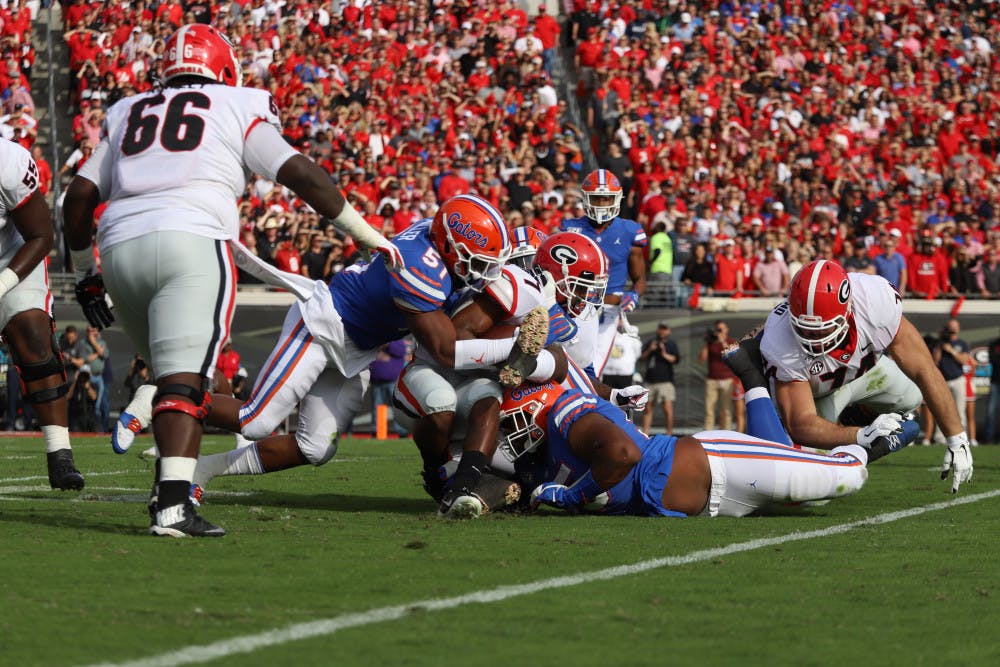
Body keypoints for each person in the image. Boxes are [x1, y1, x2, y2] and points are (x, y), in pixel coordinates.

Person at [62, 24, 403, 537]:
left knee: (174, 377)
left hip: (119, 248)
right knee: (185, 382)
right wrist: (361, 232)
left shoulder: (128, 109)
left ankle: (169, 484)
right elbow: (300, 172)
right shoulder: (237, 103)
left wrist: (86, 273)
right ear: (224, 68)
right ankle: (174, 506)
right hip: (192, 238)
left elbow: (79, 196)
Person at [112, 194, 529, 519]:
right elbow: (444, 348)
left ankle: (204, 470)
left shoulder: (434, 241)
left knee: (315, 447)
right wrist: (513, 347)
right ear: (451, 247)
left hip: (357, 347)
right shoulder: (421, 267)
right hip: (324, 324)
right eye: (477, 263)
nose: (481, 273)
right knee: (256, 419)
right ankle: (160, 396)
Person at [758, 260, 973, 492]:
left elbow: (924, 368)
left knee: (911, 398)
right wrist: (861, 436)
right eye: (804, 328)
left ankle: (854, 417)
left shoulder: (874, 301)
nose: (813, 337)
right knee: (813, 488)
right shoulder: (779, 337)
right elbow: (801, 423)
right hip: (815, 397)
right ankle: (850, 437)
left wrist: (957, 438)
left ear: (848, 309)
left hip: (862, 375)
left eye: (824, 328)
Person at [0, 138, 85, 490]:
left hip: (12, 257)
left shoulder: (7, 161)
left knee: (33, 334)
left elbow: (41, 235)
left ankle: (59, 454)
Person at [559, 169, 647, 376]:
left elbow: (640, 279)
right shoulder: (570, 228)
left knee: (592, 369)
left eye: (606, 199)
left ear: (616, 199)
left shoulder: (629, 231)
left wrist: (633, 294)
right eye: (596, 199)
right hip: (575, 306)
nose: (601, 205)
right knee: (567, 364)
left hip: (608, 308)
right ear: (585, 199)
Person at [931, 319, 971, 441]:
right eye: (950, 329)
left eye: (954, 329)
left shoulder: (962, 343)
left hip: (958, 379)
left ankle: (962, 437)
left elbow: (964, 360)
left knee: (960, 410)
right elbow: (934, 361)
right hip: (943, 380)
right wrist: (940, 344)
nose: (952, 332)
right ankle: (939, 438)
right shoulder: (939, 343)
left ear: (958, 329)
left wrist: (951, 351)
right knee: (942, 409)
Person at [640, 321, 680, 435]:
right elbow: (641, 359)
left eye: (665, 329)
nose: (662, 331)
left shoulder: (671, 344)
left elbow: (675, 360)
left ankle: (669, 433)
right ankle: (645, 433)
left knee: (667, 409)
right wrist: (650, 350)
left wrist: (664, 353)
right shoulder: (651, 342)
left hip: (666, 381)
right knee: (647, 408)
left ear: (669, 331)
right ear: (658, 330)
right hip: (650, 380)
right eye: (661, 328)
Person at [698, 320, 736, 430]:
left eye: (721, 329)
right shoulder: (711, 343)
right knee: (709, 409)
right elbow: (701, 359)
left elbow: (731, 356)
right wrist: (707, 343)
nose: (719, 332)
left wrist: (722, 341)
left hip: (727, 379)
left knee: (726, 410)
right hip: (712, 380)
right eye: (717, 329)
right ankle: (708, 435)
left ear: (726, 330)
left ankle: (726, 434)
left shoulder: (731, 341)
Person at [370, 339, 410, 437]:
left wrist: (387, 344)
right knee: (377, 407)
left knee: (397, 407)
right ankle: (378, 432)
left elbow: (401, 351)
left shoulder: (396, 339)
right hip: (376, 382)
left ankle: (402, 432)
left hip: (393, 382)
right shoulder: (373, 338)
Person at [987, 331, 1000, 444]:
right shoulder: (994, 344)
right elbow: (993, 360)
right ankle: (989, 437)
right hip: (995, 382)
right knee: (992, 411)